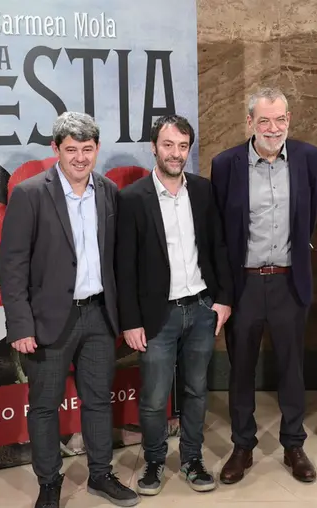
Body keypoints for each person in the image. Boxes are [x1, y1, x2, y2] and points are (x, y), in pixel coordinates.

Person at [0, 112, 139, 508]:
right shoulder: (29, 194)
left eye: (88, 149)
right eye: (72, 149)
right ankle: (48, 483)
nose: (80, 157)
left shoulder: (109, 191)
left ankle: (100, 475)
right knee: (44, 405)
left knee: (97, 400)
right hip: (48, 322)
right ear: (56, 149)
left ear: (97, 149)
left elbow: (117, 261)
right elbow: (11, 265)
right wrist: (20, 324)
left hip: (98, 315)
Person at [210, 87, 317, 484]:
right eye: (264, 121)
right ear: (250, 123)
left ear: (289, 120)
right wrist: (224, 291)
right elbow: (221, 232)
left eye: (280, 120)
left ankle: (294, 444)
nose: (273, 128)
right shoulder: (226, 164)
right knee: (241, 369)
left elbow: (311, 214)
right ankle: (243, 446)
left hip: (289, 282)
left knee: (292, 368)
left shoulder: (308, 158)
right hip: (244, 284)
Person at [115, 115, 233, 495]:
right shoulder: (132, 199)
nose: (176, 153)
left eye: (183, 146)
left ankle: (192, 459)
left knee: (197, 390)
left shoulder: (202, 190)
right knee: (153, 396)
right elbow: (124, 267)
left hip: (200, 308)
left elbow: (218, 249)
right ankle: (152, 462)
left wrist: (224, 301)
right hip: (157, 316)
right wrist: (130, 322)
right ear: (154, 147)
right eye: (168, 145)